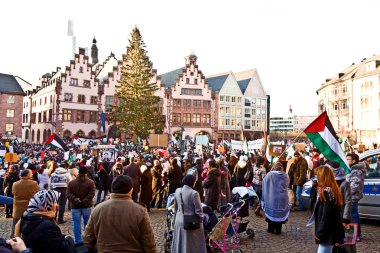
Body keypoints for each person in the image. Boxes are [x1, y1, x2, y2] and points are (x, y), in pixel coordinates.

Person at [84, 175, 156, 252]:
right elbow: (148, 241)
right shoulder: (140, 210)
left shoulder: (98, 209)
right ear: (131, 190)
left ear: (112, 189)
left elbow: (88, 239)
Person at [171, 174, 207, 253]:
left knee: (180, 241)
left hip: (178, 220)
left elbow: (176, 207)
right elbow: (198, 210)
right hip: (190, 221)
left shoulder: (177, 191)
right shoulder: (194, 193)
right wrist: (202, 219)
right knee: (192, 244)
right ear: (192, 182)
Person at [314, 166, 345, 253]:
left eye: (317, 176)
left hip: (328, 233)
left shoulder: (326, 192)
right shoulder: (331, 190)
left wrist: (320, 233)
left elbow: (326, 215)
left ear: (322, 177)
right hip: (330, 231)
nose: (316, 178)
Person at [67, 166, 96, 245]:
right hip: (86, 205)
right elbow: (92, 194)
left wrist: (76, 200)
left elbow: (68, 194)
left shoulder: (72, 183)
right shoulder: (90, 182)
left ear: (78, 172)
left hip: (75, 206)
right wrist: (84, 201)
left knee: (76, 223)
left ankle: (78, 240)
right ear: (86, 173)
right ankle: (87, 239)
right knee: (87, 224)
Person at [261, 162, 290, 235]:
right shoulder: (286, 176)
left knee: (272, 213)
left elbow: (264, 180)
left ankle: (270, 229)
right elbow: (287, 184)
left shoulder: (270, 175)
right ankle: (278, 230)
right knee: (279, 213)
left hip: (272, 197)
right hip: (282, 198)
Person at [11, 169, 39, 238]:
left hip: (17, 208)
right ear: (27, 175)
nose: (32, 174)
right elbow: (38, 194)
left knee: (15, 225)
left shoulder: (15, 183)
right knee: (29, 227)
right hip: (29, 207)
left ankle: (14, 240)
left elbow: (13, 193)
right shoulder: (34, 183)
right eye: (31, 173)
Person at [346, 153, 365, 242]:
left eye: (348, 159)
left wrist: (346, 194)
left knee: (353, 216)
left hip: (352, 197)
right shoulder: (353, 170)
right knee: (354, 215)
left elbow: (354, 186)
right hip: (352, 197)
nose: (346, 161)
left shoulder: (356, 171)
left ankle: (356, 235)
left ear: (353, 161)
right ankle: (357, 234)